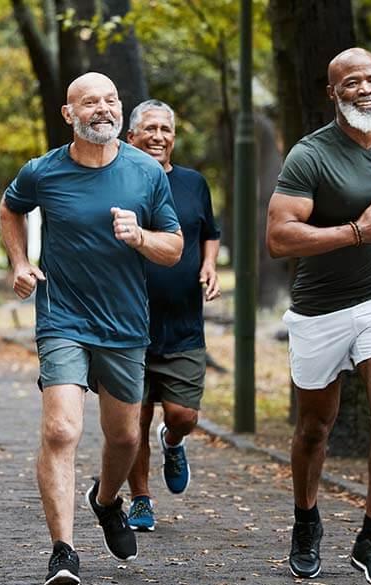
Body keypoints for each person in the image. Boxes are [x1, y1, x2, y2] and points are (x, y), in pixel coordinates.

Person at [0, 73, 183, 585]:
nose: (103, 109)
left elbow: (174, 247)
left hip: (125, 324)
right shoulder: (43, 172)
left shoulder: (146, 172)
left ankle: (105, 501)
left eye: (110, 100)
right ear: (68, 114)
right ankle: (63, 550)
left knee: (125, 436)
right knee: (61, 429)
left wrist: (140, 236)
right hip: (63, 319)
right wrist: (19, 262)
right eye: (90, 102)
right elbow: (10, 208)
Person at [266, 48, 371, 585]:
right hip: (319, 309)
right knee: (315, 426)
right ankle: (306, 519)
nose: (366, 89)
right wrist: (356, 233)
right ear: (333, 93)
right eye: (352, 82)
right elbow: (279, 237)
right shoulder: (309, 156)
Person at [123, 100, 221, 532]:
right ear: (132, 138)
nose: (159, 136)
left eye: (166, 129)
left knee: (182, 414)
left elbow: (210, 233)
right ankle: (140, 499)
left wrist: (209, 265)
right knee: (133, 421)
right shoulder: (119, 183)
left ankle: (174, 440)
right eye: (149, 128)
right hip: (128, 325)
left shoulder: (193, 183)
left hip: (183, 324)